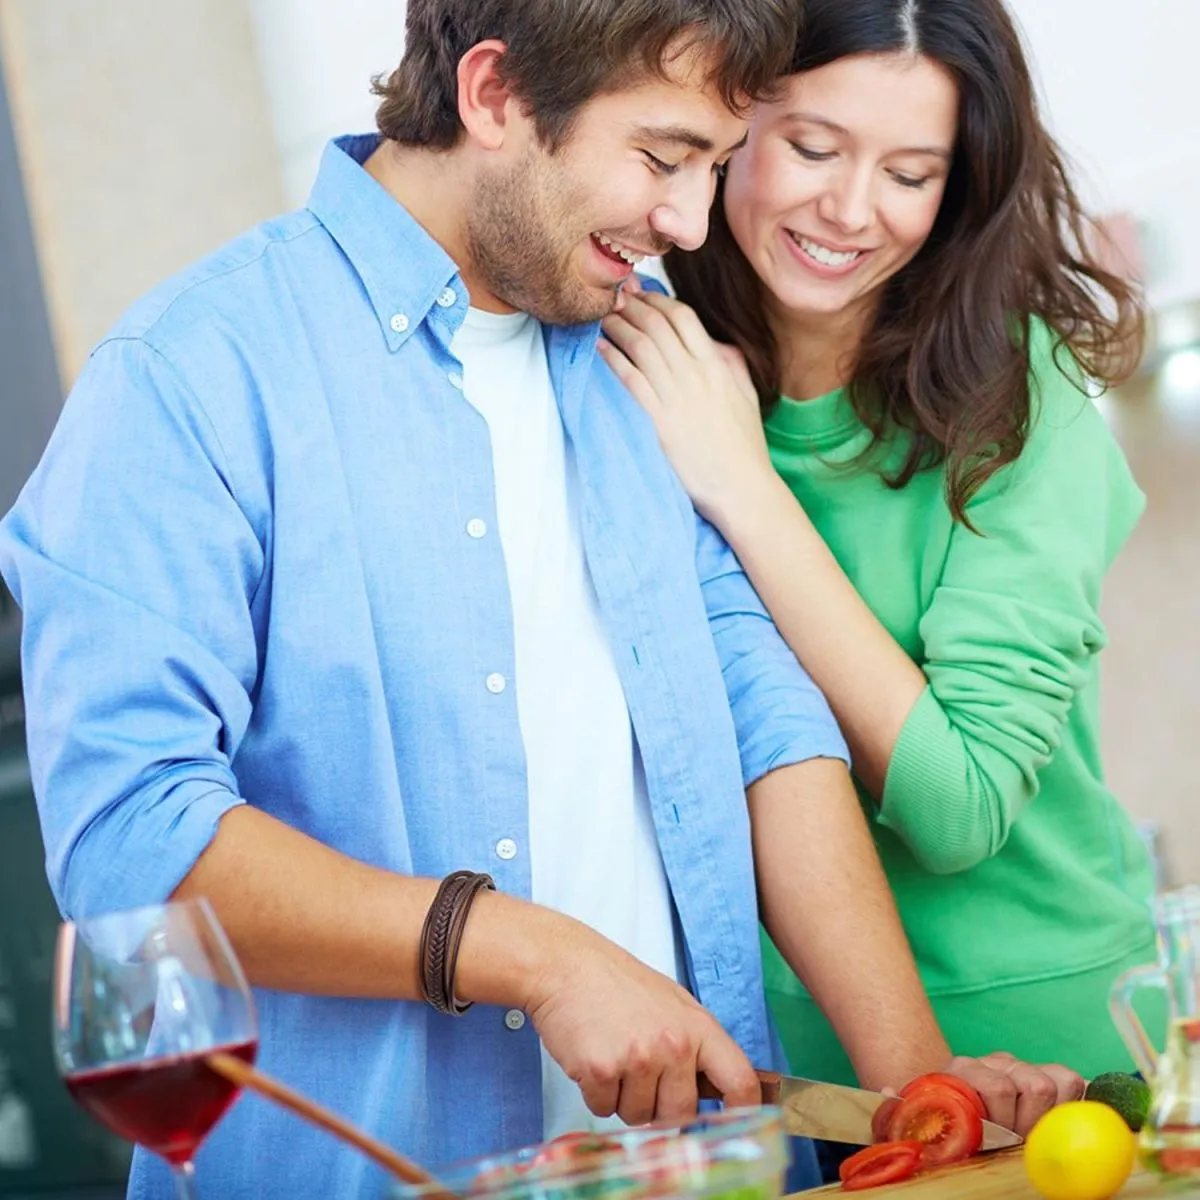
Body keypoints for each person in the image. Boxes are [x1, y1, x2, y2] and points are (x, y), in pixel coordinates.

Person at [0, 1, 1058, 1196]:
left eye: (713, 165)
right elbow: (129, 839)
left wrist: (915, 1083)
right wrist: (527, 953)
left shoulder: (646, 358)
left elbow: (766, 722)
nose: (689, 221)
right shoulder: (189, 379)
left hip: (700, 1169)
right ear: (495, 95)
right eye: (661, 157)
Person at [599, 0, 1161, 1122]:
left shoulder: (1024, 393)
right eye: (812, 147)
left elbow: (958, 808)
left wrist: (746, 488)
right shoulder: (640, 357)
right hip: (769, 1068)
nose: (851, 210)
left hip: (1048, 1051)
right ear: (728, 122)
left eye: (911, 173)